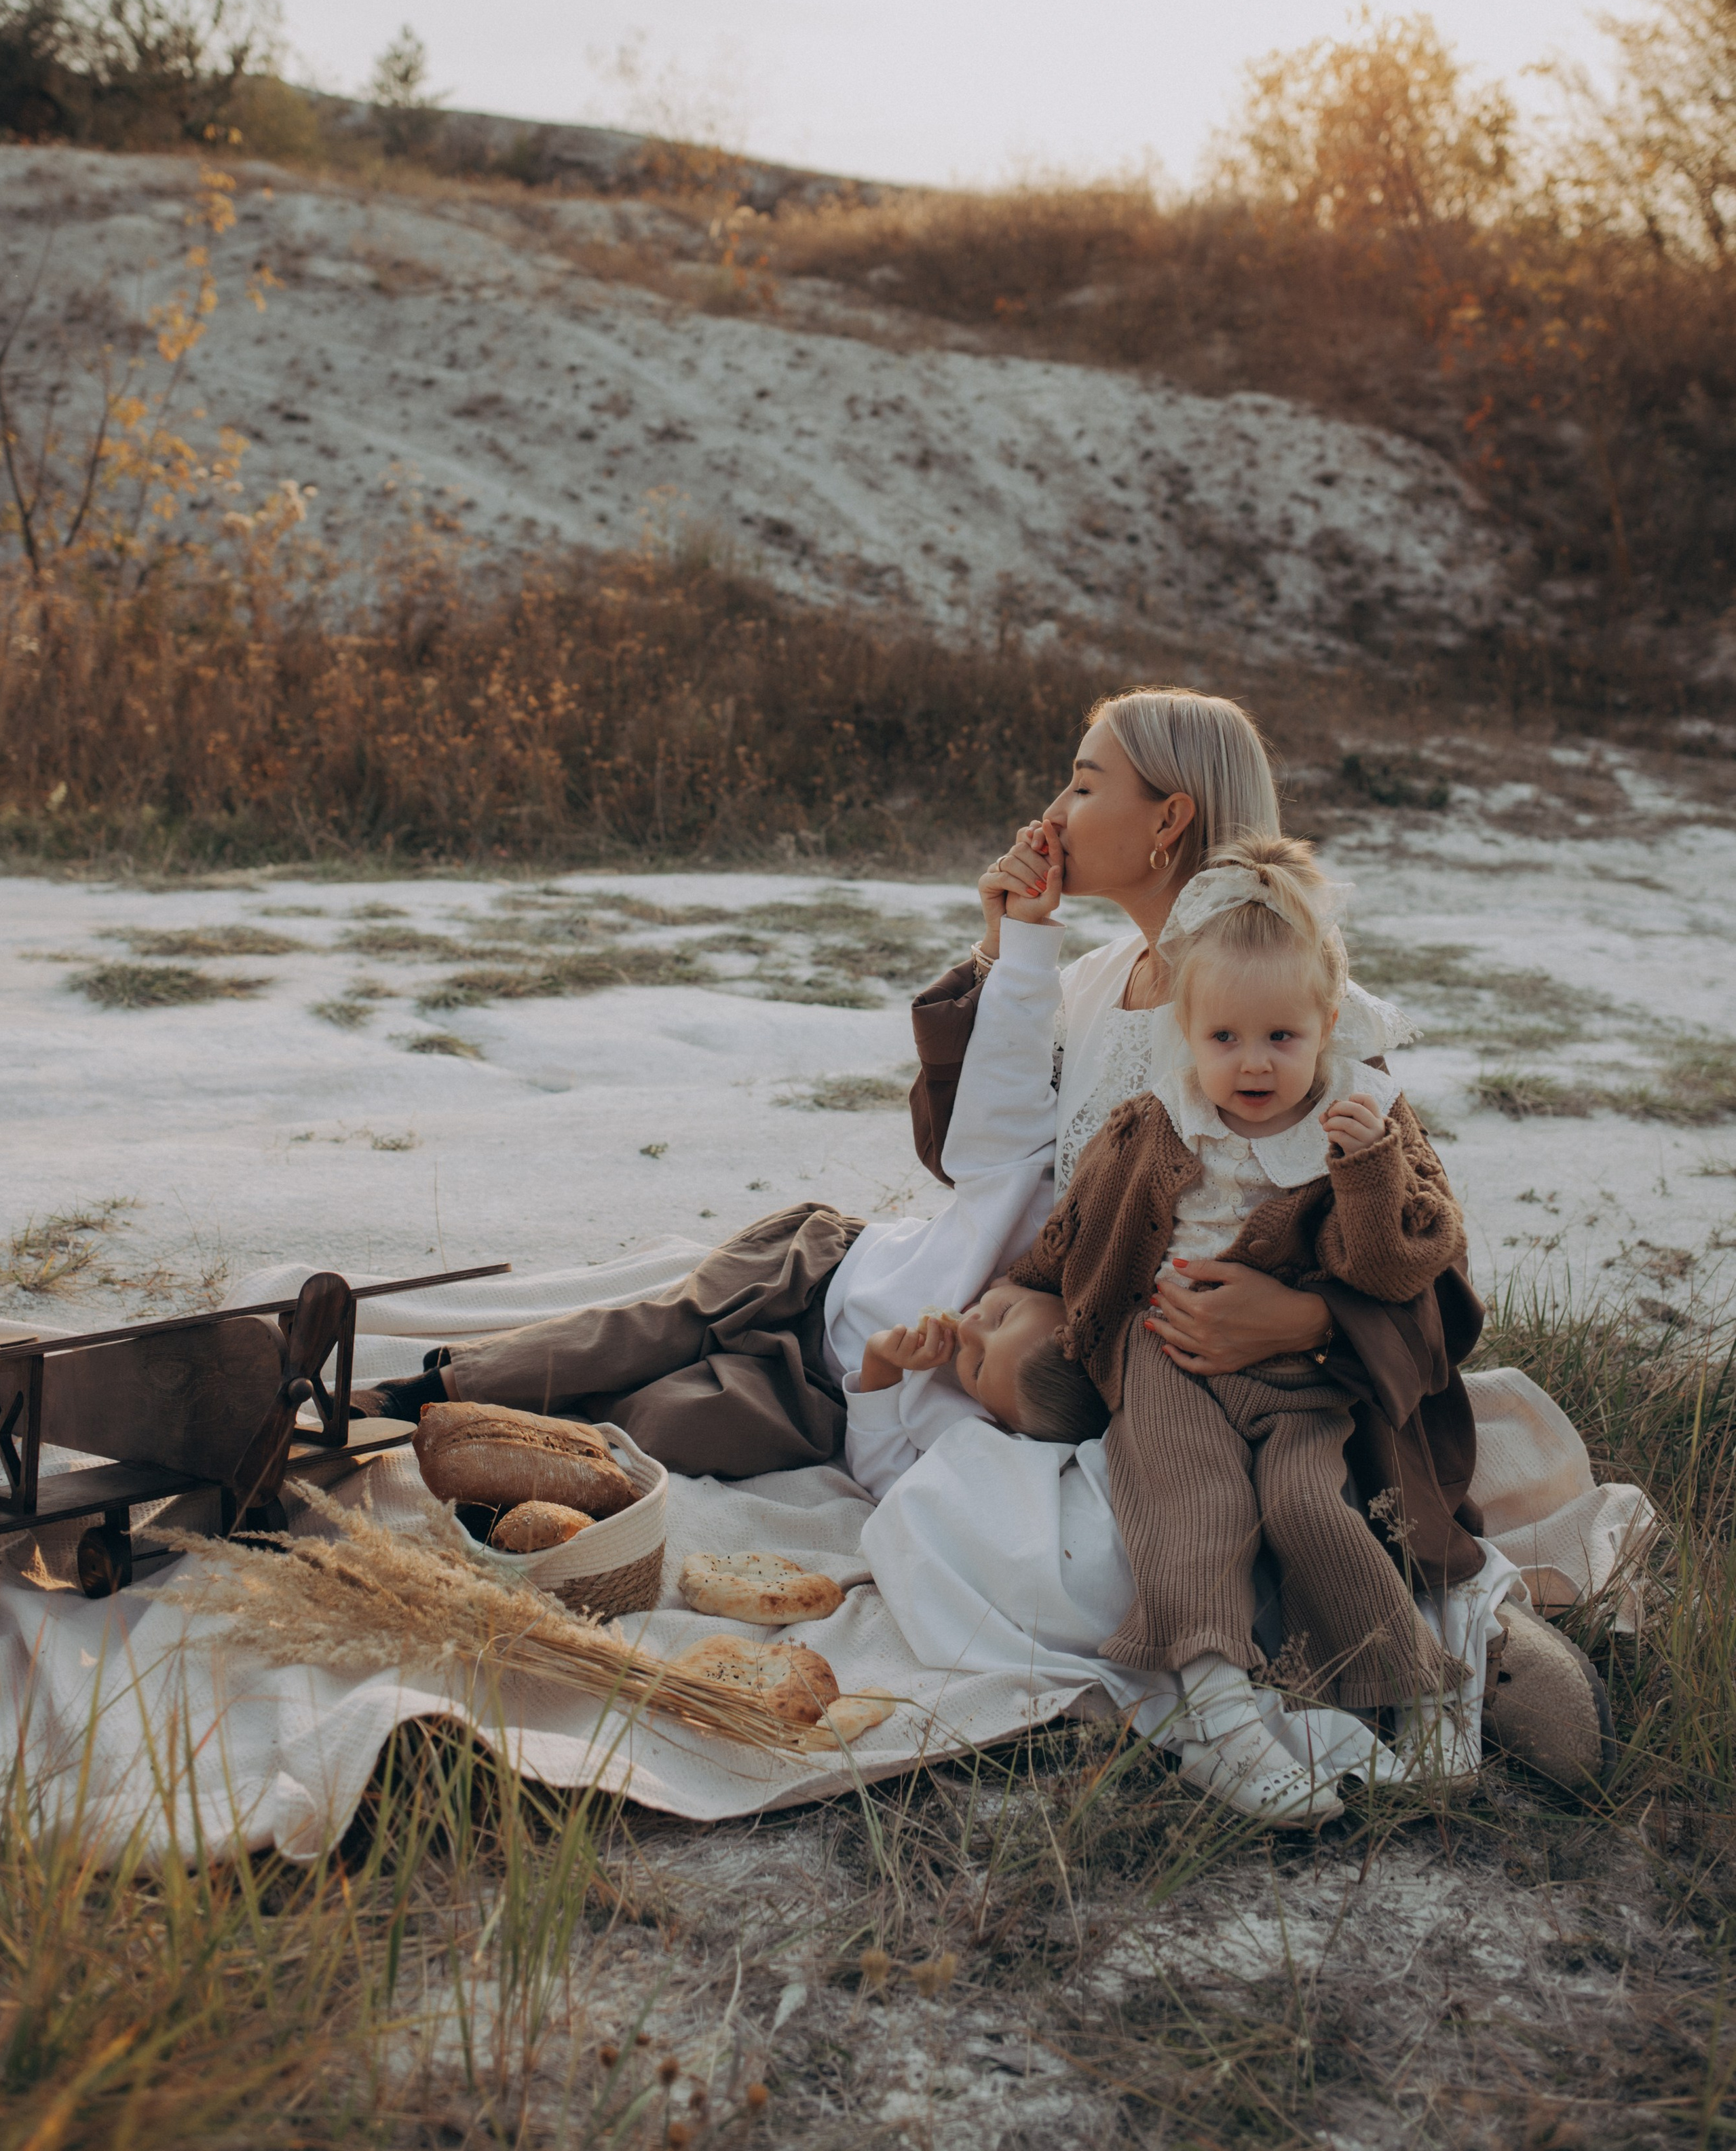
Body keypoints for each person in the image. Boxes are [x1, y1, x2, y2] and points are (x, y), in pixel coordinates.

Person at [910, 683, 1487, 1601]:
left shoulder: (1290, 1017)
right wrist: (1000, 949)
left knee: (1088, 1558)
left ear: (1168, 819)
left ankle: (1460, 1635)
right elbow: (968, 1156)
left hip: (1275, 1400)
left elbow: (1437, 1277)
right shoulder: (1099, 980)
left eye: (1084, 785)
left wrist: (1313, 1321)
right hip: (1095, 1353)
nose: (1052, 816)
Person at [1007, 834, 1473, 1820]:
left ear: (1327, 1026)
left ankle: (1415, 1692)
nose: (1253, 1063)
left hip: (1298, 1370)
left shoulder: (1367, 1125)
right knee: (1193, 1500)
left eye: (1281, 1039)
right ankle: (1217, 1707)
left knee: (1310, 1504)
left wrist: (1366, 1166)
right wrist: (1023, 1293)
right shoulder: (1155, 1120)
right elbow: (1075, 1231)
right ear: (1189, 1032)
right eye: (1224, 1040)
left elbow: (1401, 1267)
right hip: (1167, 1354)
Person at [354, 1210, 1105, 1501]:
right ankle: (424, 1389)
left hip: (821, 1388)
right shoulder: (1010, 1231)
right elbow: (997, 1113)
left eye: (973, 1369)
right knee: (652, 1334)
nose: (965, 1331)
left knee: (670, 1425)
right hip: (812, 1270)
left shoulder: (983, 1419)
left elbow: (886, 1476)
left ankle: (504, 1420)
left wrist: (877, 1378)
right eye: (997, 1314)